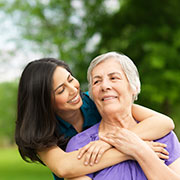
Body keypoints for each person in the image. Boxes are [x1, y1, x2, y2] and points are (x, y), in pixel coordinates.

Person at [15, 58, 174, 180]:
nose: (73, 90)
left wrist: (106, 142)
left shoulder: (98, 101)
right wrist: (135, 150)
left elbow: (163, 122)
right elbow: (64, 167)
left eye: (70, 80)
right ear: (44, 101)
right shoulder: (40, 131)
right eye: (61, 90)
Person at [65, 52, 180, 180]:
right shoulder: (81, 145)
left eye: (114, 78)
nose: (105, 86)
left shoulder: (163, 135)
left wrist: (139, 149)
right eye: (97, 81)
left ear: (134, 87)